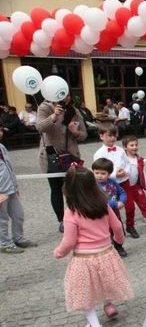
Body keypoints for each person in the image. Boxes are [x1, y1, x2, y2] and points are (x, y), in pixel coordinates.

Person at [54, 166, 134, 327]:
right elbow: (117, 226)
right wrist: (119, 240)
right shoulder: (104, 206)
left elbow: (69, 241)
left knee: (84, 293)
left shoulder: (71, 213)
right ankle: (109, 305)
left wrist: (59, 252)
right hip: (106, 253)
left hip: (84, 259)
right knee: (104, 281)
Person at [36, 94, 88, 232]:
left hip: (71, 156)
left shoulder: (74, 111)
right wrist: (53, 116)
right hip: (51, 155)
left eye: (67, 94)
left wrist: (75, 132)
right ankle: (61, 220)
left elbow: (84, 135)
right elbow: (40, 127)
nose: (64, 98)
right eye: (60, 94)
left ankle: (77, 216)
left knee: (74, 188)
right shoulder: (45, 107)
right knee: (56, 189)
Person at [0, 128, 35, 253]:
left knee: (18, 215)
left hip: (11, 188)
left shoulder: (2, 147)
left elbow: (9, 168)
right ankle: (4, 243)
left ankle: (18, 238)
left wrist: (15, 186)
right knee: (2, 219)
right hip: (1, 192)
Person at [92, 158, 128, 258]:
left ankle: (119, 246)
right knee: (105, 231)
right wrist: (115, 204)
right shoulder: (93, 185)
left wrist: (122, 201)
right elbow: (99, 199)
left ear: (109, 174)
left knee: (118, 228)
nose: (99, 175)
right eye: (97, 172)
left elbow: (122, 192)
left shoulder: (112, 182)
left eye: (103, 173)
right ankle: (107, 248)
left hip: (115, 213)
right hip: (102, 213)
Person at [121, 135, 146, 238]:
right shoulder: (122, 159)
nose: (135, 147)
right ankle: (127, 224)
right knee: (129, 207)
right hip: (125, 186)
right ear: (125, 147)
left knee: (143, 201)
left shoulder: (139, 159)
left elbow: (142, 172)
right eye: (132, 145)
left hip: (136, 185)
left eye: (136, 145)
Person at [93, 122, 129, 187]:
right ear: (101, 136)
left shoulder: (121, 150)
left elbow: (127, 163)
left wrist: (125, 171)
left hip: (124, 181)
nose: (113, 138)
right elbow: (99, 171)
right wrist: (115, 175)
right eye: (109, 135)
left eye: (114, 135)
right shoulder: (99, 154)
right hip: (109, 183)